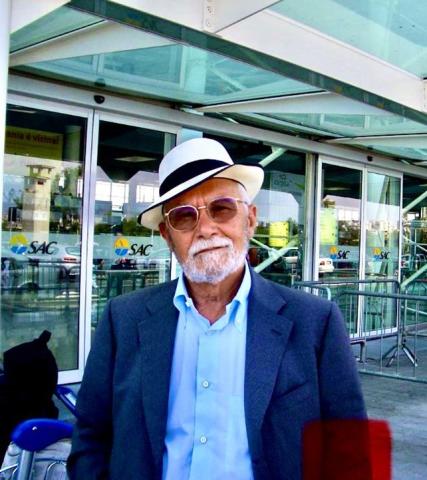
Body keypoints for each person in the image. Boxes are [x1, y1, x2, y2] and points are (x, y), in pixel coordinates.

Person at [68, 138, 367, 480]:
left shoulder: (315, 322)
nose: (206, 228)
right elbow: (91, 434)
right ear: (167, 235)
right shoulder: (124, 319)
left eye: (222, 208)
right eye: (184, 217)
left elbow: (348, 449)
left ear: (250, 219)